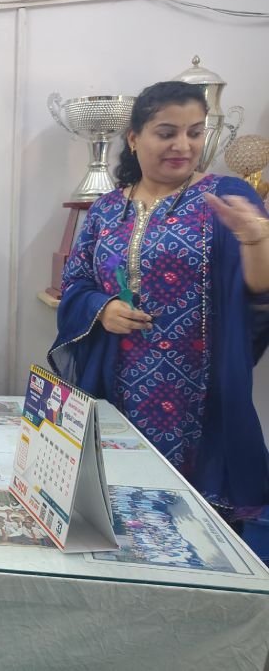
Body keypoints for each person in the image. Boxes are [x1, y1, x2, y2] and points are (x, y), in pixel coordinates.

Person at [49, 81, 269, 525]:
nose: (183, 146)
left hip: (198, 386)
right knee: (117, 503)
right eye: (167, 133)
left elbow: (258, 292)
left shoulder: (226, 197)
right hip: (118, 379)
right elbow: (76, 283)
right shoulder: (107, 209)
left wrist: (255, 238)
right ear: (134, 138)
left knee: (195, 519)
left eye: (195, 132)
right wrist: (102, 308)